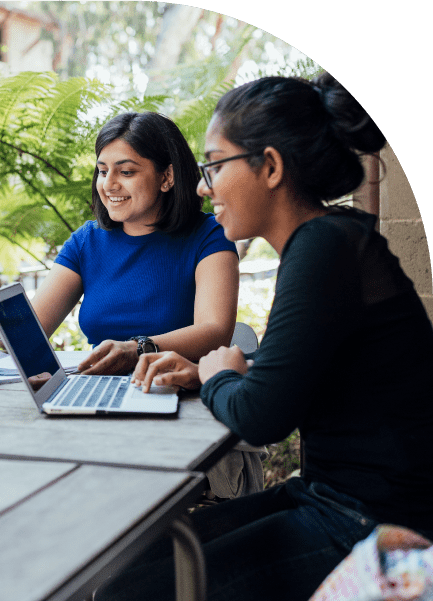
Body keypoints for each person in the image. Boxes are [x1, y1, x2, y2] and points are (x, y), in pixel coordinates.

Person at [99, 72, 433, 601]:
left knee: (136, 591)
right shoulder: (328, 241)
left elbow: (262, 418)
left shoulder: (324, 247)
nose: (203, 185)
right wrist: (217, 374)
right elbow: (296, 380)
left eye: (213, 165)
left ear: (271, 166)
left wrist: (218, 374)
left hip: (373, 519)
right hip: (331, 495)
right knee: (134, 561)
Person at [0, 111, 240, 376]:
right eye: (102, 171)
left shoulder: (208, 236)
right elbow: (33, 332)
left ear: (167, 177)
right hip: (100, 388)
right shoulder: (87, 241)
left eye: (126, 171)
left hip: (178, 391)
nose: (109, 184)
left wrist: (137, 348)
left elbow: (215, 332)